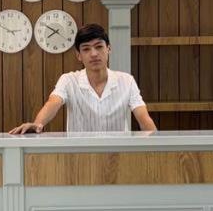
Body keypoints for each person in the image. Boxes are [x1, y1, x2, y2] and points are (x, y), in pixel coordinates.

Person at [9, 23, 157, 135]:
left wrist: (158, 144)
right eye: (86, 49)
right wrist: (37, 124)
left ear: (109, 49)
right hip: (78, 157)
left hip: (118, 157)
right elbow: (53, 103)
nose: (94, 54)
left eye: (99, 47)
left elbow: (143, 118)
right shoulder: (68, 80)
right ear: (79, 55)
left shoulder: (127, 81)